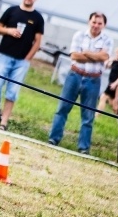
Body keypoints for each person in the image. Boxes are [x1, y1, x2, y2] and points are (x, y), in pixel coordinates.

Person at [0, 0, 44, 130]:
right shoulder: (12, 11)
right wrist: (8, 31)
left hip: (21, 61)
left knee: (12, 92)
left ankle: (3, 122)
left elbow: (38, 41)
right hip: (3, 55)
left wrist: (27, 58)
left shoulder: (38, 18)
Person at [48, 12, 113, 154]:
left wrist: (87, 53)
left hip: (93, 79)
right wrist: (95, 56)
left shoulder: (107, 40)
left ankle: (83, 148)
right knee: (62, 109)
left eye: (99, 23)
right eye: (94, 22)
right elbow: (74, 56)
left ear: (104, 25)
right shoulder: (79, 35)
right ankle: (54, 139)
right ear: (89, 22)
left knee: (88, 116)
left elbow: (104, 57)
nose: (96, 25)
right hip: (75, 75)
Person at [98, 47, 118, 111]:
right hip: (111, 82)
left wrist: (115, 84)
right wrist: (110, 60)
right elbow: (107, 66)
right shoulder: (115, 61)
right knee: (112, 103)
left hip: (115, 85)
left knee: (103, 97)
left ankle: (97, 115)